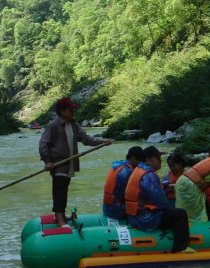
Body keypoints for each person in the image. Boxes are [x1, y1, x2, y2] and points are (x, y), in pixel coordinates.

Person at [39, 97, 113, 227]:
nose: (73, 111)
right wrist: (47, 161)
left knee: (63, 190)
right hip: (58, 164)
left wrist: (102, 141)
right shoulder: (53, 125)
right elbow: (43, 144)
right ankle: (60, 219)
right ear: (62, 111)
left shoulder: (73, 124)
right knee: (59, 191)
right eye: (70, 109)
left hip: (69, 164)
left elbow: (86, 139)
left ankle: (59, 215)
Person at [124, 146, 194, 253]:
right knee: (180, 214)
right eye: (157, 157)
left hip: (134, 215)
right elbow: (160, 201)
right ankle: (181, 247)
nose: (160, 160)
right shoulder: (149, 174)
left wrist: (163, 188)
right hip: (144, 218)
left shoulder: (139, 169)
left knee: (172, 211)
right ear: (148, 159)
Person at [102, 146, 144, 220]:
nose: (140, 164)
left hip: (107, 208)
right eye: (140, 161)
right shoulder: (128, 172)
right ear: (133, 158)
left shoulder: (117, 165)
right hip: (117, 211)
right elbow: (126, 196)